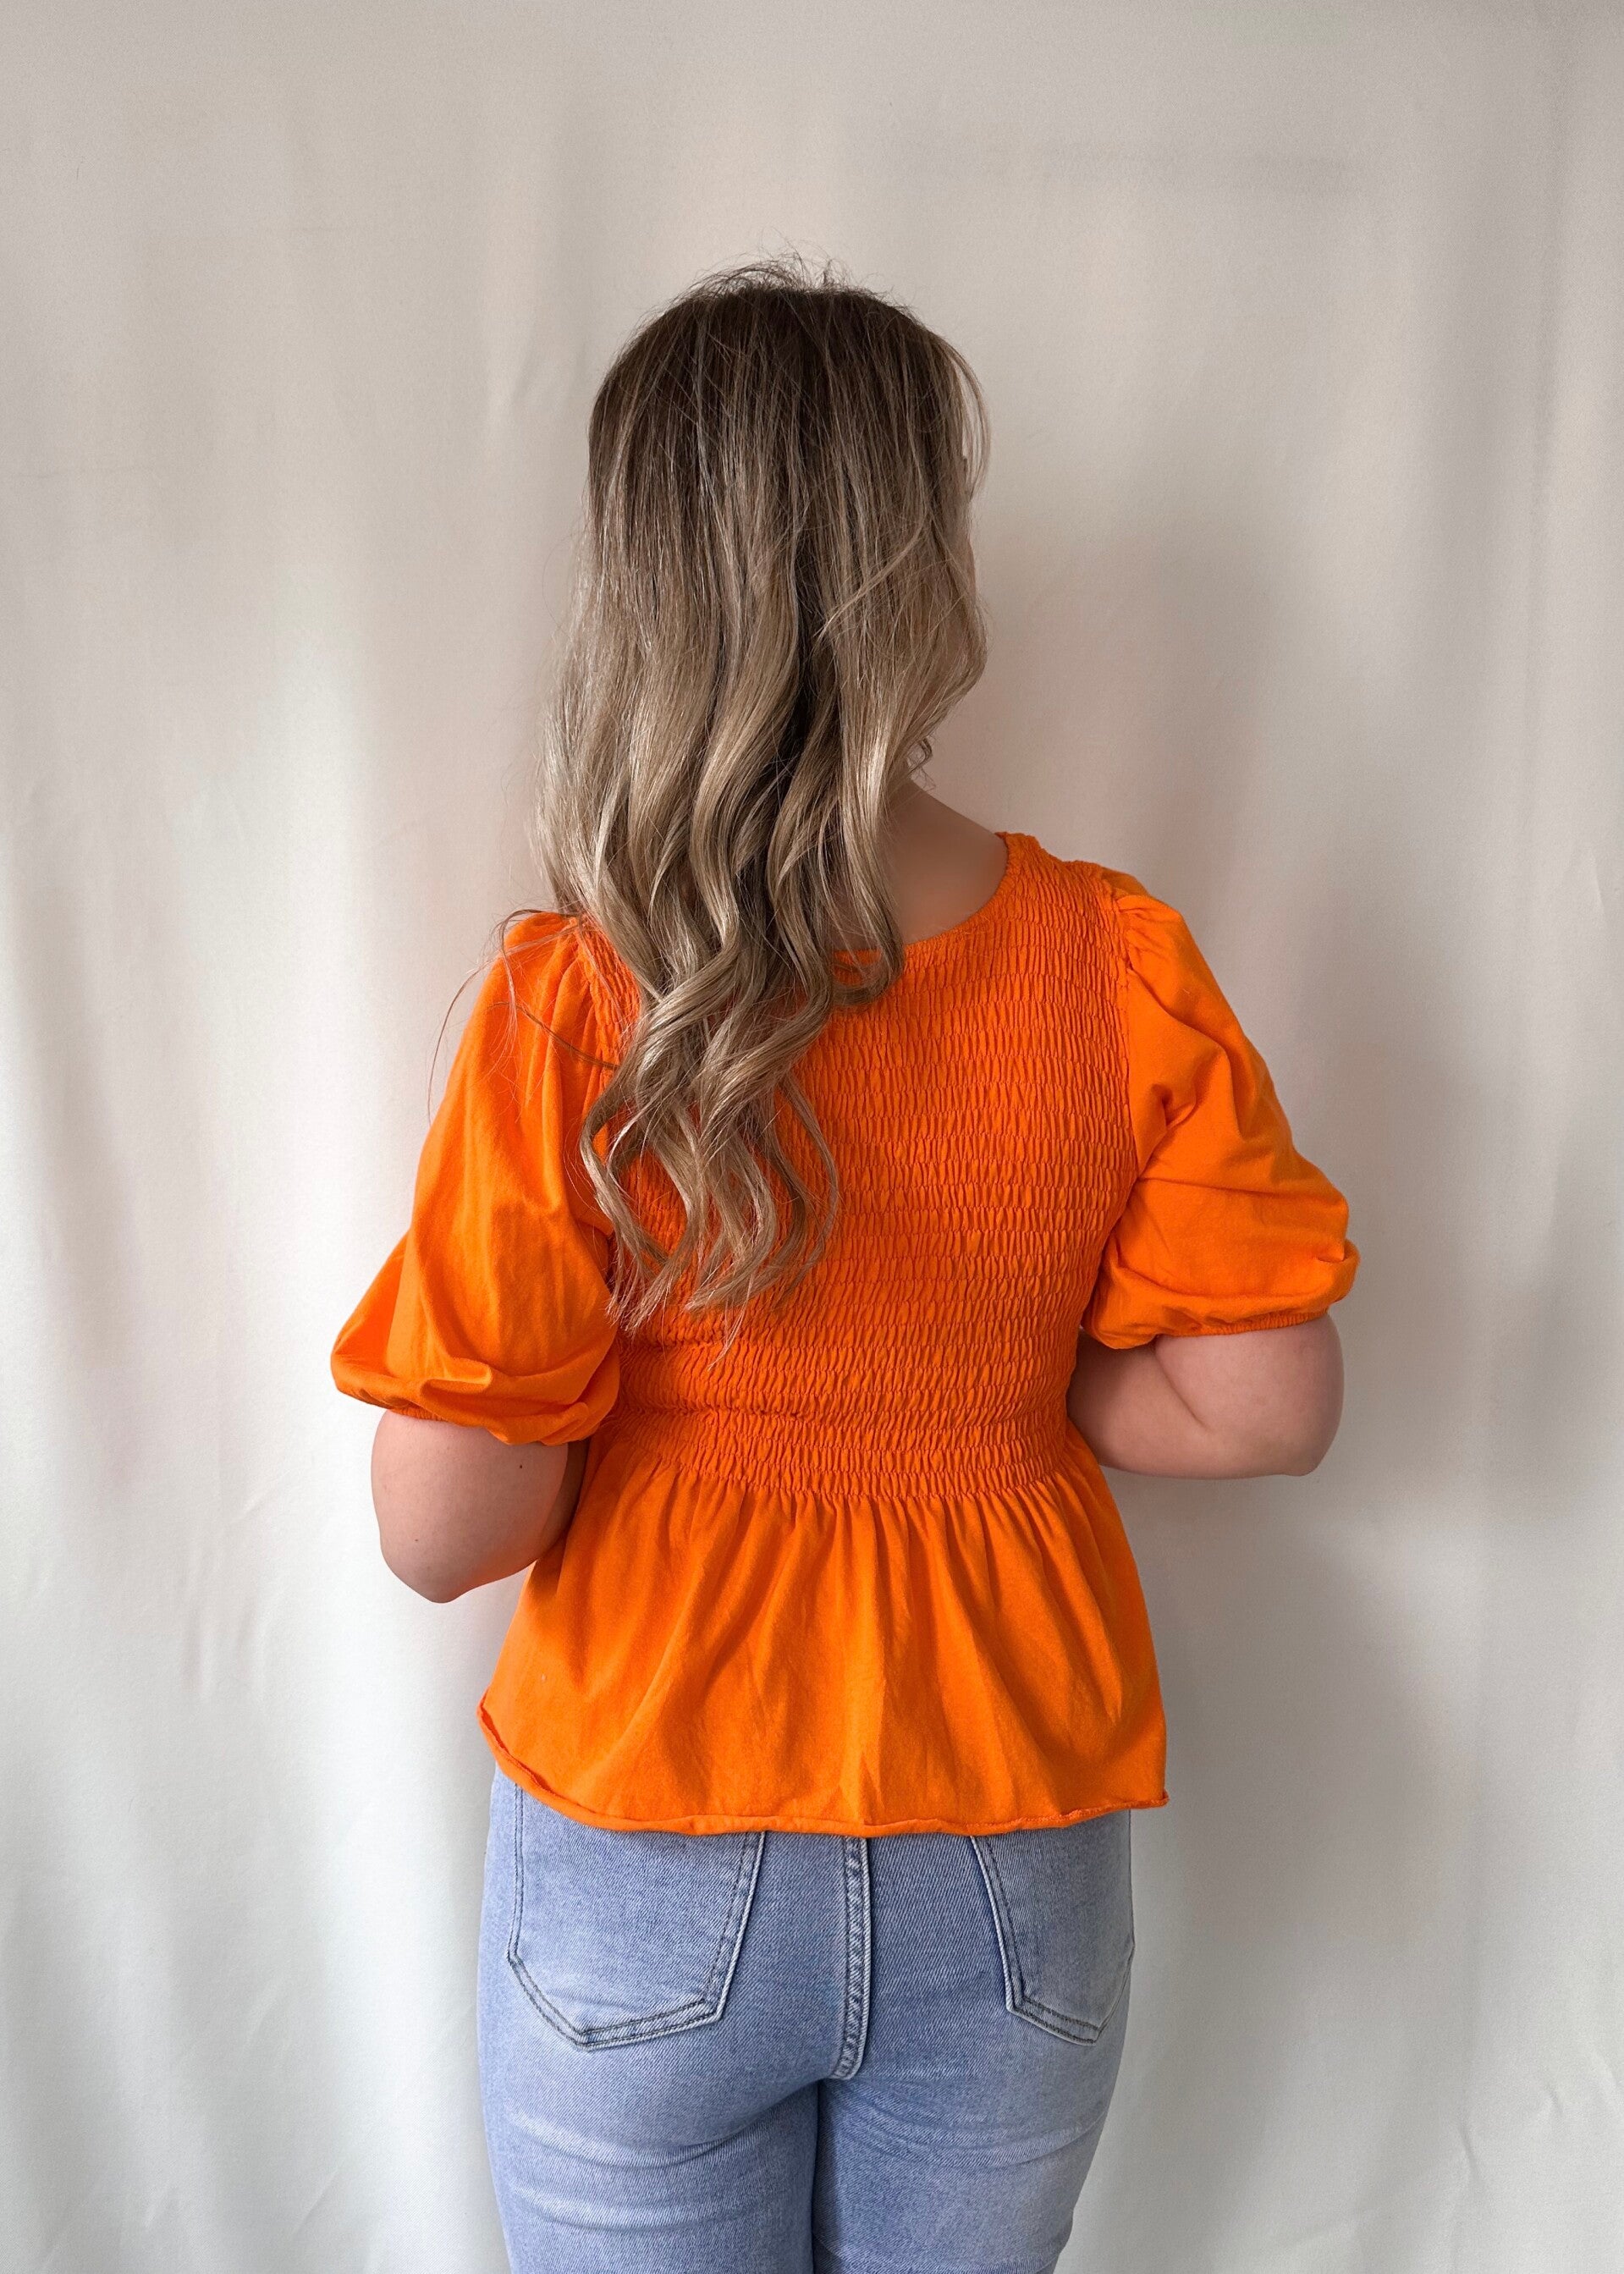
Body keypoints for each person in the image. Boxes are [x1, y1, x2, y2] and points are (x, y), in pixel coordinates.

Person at [330, 255, 1358, 2274]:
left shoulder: (577, 1007)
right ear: (928, 579)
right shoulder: (1112, 963)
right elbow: (1269, 1403)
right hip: (1010, 1849)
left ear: (642, 591)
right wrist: (1005, 1380)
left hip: (653, 1836)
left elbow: (445, 1531)